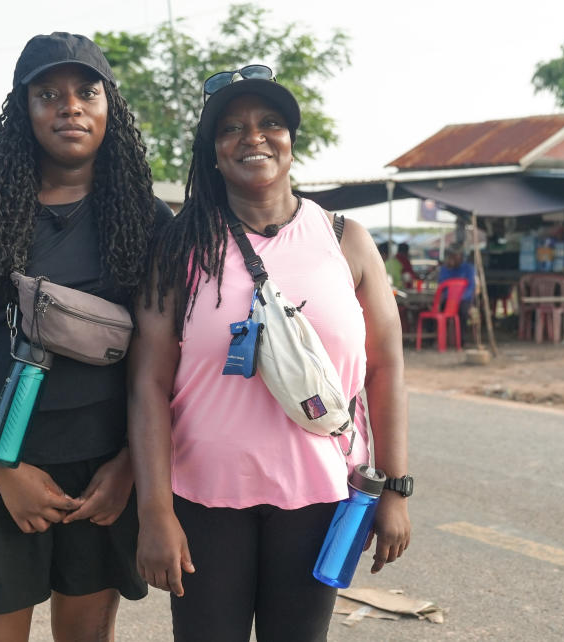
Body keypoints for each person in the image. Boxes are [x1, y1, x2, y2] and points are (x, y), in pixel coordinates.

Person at [128, 65, 412, 641]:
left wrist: (397, 489)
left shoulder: (344, 239)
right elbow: (147, 386)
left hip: (322, 498)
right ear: (212, 153)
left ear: (290, 141)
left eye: (270, 123)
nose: (252, 137)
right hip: (204, 501)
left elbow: (385, 369)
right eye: (231, 128)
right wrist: (155, 510)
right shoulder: (179, 247)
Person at [0, 32, 172, 640]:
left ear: (110, 105)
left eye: (87, 91)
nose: (70, 106)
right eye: (48, 94)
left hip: (102, 476)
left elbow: (160, 367)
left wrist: (130, 467)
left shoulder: (148, 219)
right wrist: (5, 472)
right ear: (22, 109)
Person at [438, 243, 476, 337]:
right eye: (452, 255)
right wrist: (448, 268)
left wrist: (459, 299)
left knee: (463, 312)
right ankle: (439, 338)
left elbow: (471, 287)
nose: (454, 257)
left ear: (462, 256)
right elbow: (441, 285)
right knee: (435, 311)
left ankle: (461, 338)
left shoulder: (468, 268)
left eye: (456, 255)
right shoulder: (445, 269)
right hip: (447, 300)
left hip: (463, 300)